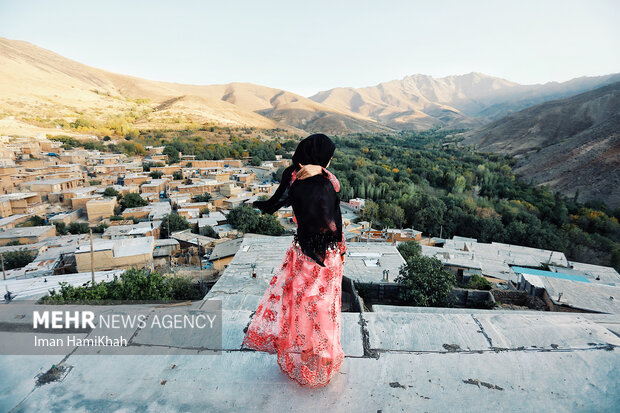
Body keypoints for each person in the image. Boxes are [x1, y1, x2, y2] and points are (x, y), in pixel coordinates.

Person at [241, 133, 346, 387]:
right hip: (324, 260)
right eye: (328, 160)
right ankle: (322, 360)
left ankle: (305, 353)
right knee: (324, 311)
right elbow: (332, 225)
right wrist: (341, 250)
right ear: (321, 159)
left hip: (301, 256)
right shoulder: (322, 187)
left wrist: (318, 169)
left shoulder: (295, 179)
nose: (329, 164)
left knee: (302, 309)